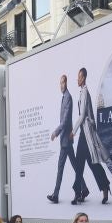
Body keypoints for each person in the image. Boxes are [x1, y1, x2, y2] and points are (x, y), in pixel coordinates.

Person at [71, 67, 111, 204]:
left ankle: (104, 187)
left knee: (93, 165)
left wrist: (73, 131)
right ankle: (79, 193)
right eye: (78, 77)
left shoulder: (85, 93)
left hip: (86, 134)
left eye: (79, 77)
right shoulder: (82, 92)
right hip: (84, 134)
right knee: (80, 165)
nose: (77, 79)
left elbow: (82, 115)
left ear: (83, 78)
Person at [47, 74, 77, 204]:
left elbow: (64, 121)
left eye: (63, 83)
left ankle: (56, 195)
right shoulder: (64, 97)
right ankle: (84, 188)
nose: (61, 85)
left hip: (65, 139)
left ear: (67, 83)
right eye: (60, 83)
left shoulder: (68, 97)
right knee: (75, 166)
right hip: (66, 139)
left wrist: (55, 132)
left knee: (61, 167)